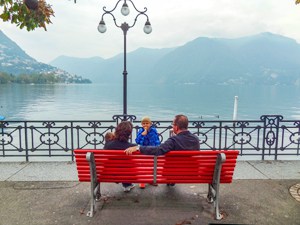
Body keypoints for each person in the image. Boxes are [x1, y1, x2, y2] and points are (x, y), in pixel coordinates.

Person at [125, 114, 200, 186]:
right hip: (191, 172)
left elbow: (159, 150)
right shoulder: (196, 139)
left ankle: (170, 180)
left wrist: (138, 148)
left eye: (173, 124)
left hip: (173, 173)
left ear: (176, 127)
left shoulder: (173, 141)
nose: (172, 126)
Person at [104, 121, 136, 192]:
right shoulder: (133, 147)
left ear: (116, 132)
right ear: (129, 135)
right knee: (126, 165)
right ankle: (127, 184)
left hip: (110, 174)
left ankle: (127, 185)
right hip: (129, 174)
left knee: (119, 164)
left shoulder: (108, 145)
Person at [135, 116, 160, 189]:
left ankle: (151, 180)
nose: (145, 125)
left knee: (151, 166)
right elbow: (138, 141)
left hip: (151, 151)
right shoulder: (140, 131)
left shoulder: (153, 131)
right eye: (143, 123)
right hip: (143, 151)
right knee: (143, 167)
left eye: (147, 123)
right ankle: (142, 181)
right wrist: (143, 135)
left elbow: (155, 141)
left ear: (150, 124)